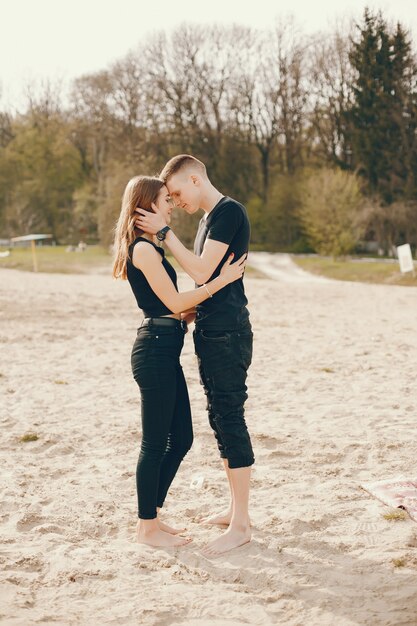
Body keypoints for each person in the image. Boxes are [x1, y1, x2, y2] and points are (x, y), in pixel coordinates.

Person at [112, 175, 246, 548]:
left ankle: (151, 514)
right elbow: (173, 303)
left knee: (182, 438)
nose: (170, 205)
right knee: (154, 443)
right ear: (146, 206)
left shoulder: (150, 249)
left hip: (166, 345)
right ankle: (146, 527)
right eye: (164, 200)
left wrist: (202, 303)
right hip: (153, 350)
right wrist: (222, 280)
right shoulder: (142, 249)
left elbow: (173, 310)